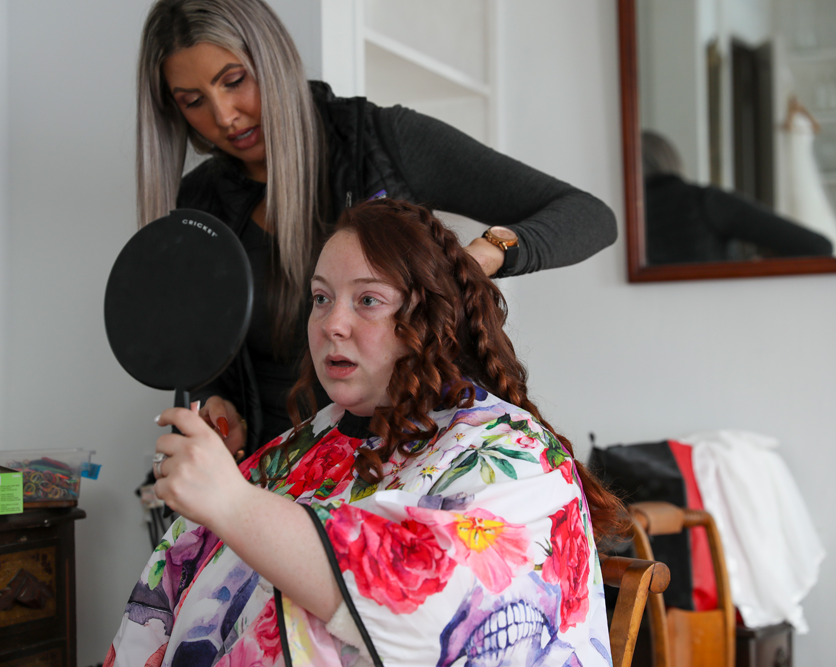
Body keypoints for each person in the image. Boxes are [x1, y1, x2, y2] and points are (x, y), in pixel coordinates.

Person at [105, 199, 624, 667]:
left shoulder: (517, 457)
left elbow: (425, 613)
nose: (332, 323)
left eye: (368, 300)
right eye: (321, 298)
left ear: (432, 316)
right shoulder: (294, 450)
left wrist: (233, 503)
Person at [136, 0, 619, 453]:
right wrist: (215, 402)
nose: (224, 115)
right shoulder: (197, 206)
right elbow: (208, 351)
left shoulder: (380, 142)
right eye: (193, 101)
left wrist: (478, 257)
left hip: (407, 460)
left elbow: (587, 214)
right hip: (274, 472)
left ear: (272, 61)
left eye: (235, 81)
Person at [642, 130, 834, 265]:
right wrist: (750, 269)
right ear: (671, 160)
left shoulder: (628, 217)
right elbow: (817, 247)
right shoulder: (702, 201)